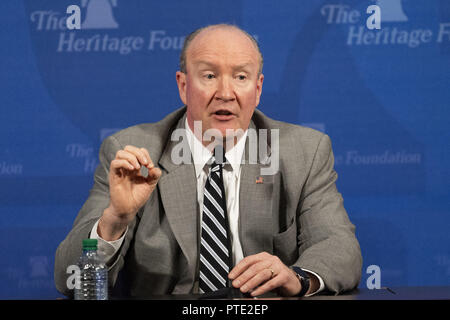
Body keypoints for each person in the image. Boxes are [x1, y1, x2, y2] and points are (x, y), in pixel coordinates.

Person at [55, 24, 362, 298]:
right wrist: (115, 220)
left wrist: (296, 278)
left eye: (240, 77)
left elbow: (340, 249)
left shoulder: (304, 152)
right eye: (209, 76)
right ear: (183, 85)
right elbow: (69, 280)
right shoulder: (133, 152)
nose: (225, 93)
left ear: (257, 89)